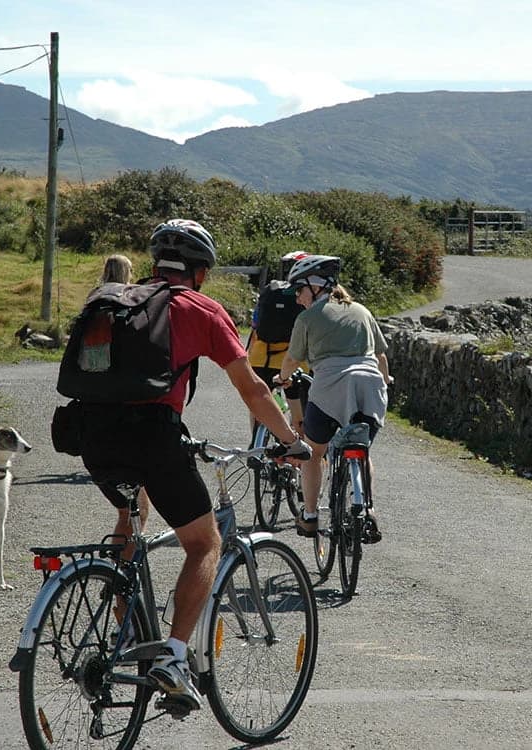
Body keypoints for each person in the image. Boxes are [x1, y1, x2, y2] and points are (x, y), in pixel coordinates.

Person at [77, 219, 311, 711]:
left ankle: (121, 632)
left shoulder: (117, 301)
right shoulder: (201, 308)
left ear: (155, 264)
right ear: (201, 272)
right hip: (152, 435)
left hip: (91, 435)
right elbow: (252, 388)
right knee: (205, 542)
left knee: (130, 516)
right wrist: (291, 440)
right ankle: (174, 656)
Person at [276, 254, 392, 542]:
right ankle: (368, 509)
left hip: (329, 389)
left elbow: (292, 359)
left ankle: (311, 515)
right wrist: (386, 382)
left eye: (299, 290)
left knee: (314, 452)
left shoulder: (308, 318)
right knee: (361, 450)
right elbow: (380, 357)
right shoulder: (362, 311)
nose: (297, 298)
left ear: (315, 287)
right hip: (369, 388)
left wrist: (282, 378)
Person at [245, 251, 308, 439]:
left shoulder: (269, 290)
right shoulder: (304, 297)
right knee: (302, 411)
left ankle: (256, 440)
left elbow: (256, 324)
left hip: (260, 358)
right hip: (294, 362)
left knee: (259, 402)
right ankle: (301, 450)